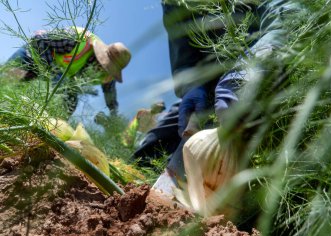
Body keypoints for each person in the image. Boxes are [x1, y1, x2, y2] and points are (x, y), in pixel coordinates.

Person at [133, 1, 264, 194]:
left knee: (218, 155)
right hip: (204, 83)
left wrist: (250, 67)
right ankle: (133, 188)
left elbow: (281, 22)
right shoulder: (173, 2)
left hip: (258, 70)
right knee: (158, 140)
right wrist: (191, 85)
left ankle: (200, 199)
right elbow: (183, 54)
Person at [5, 26, 131, 116]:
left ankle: (52, 128)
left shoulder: (106, 75)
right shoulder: (79, 39)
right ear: (100, 55)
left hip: (55, 74)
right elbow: (39, 39)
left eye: (109, 69)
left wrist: (114, 114)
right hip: (31, 55)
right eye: (104, 65)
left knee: (70, 99)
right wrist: (54, 74)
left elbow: (110, 93)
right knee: (5, 82)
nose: (103, 70)